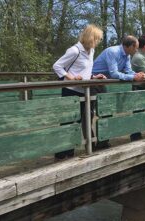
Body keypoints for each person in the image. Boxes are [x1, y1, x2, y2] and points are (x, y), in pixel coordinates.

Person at [53, 24, 106, 159]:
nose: (99, 41)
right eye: (97, 39)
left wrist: (94, 77)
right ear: (91, 38)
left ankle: (70, 151)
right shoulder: (75, 51)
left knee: (79, 121)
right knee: (67, 122)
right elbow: (57, 66)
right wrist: (71, 77)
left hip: (84, 90)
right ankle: (60, 153)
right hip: (70, 90)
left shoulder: (91, 51)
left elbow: (85, 70)